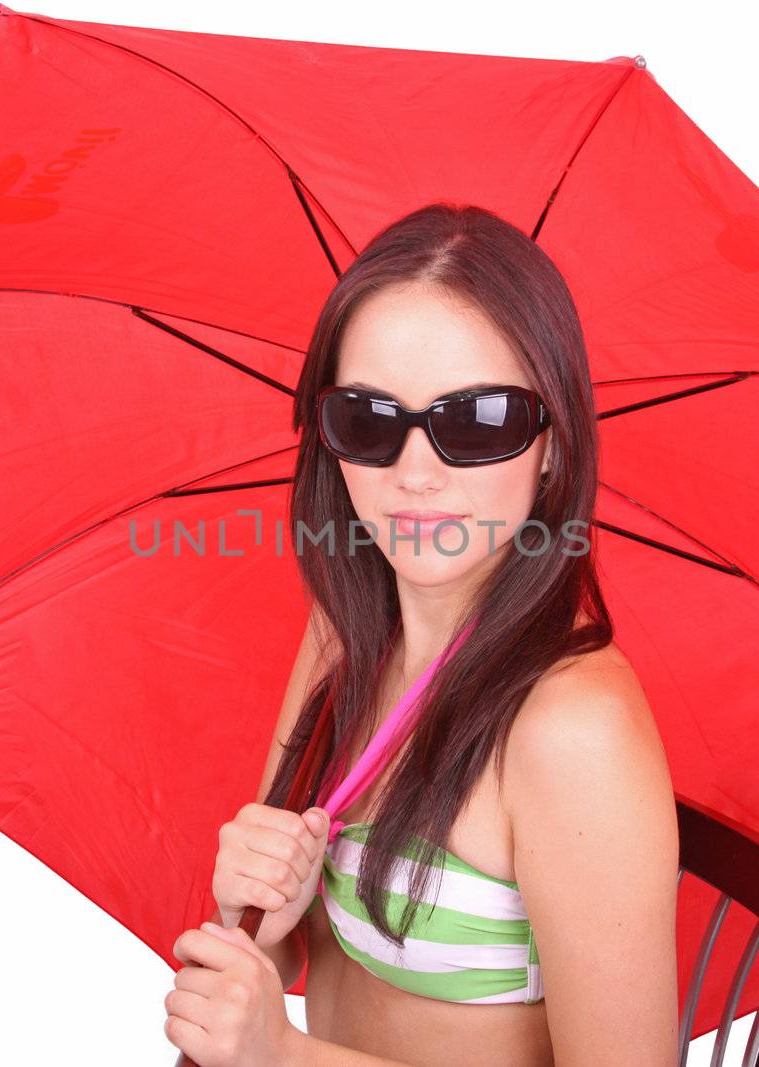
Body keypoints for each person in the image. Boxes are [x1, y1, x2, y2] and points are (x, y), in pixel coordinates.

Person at [164, 203, 680, 1066]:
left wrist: (288, 1057)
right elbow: (293, 952)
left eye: (476, 422)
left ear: (552, 445)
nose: (414, 474)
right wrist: (253, 909)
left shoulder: (572, 734)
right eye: (370, 419)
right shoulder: (345, 632)